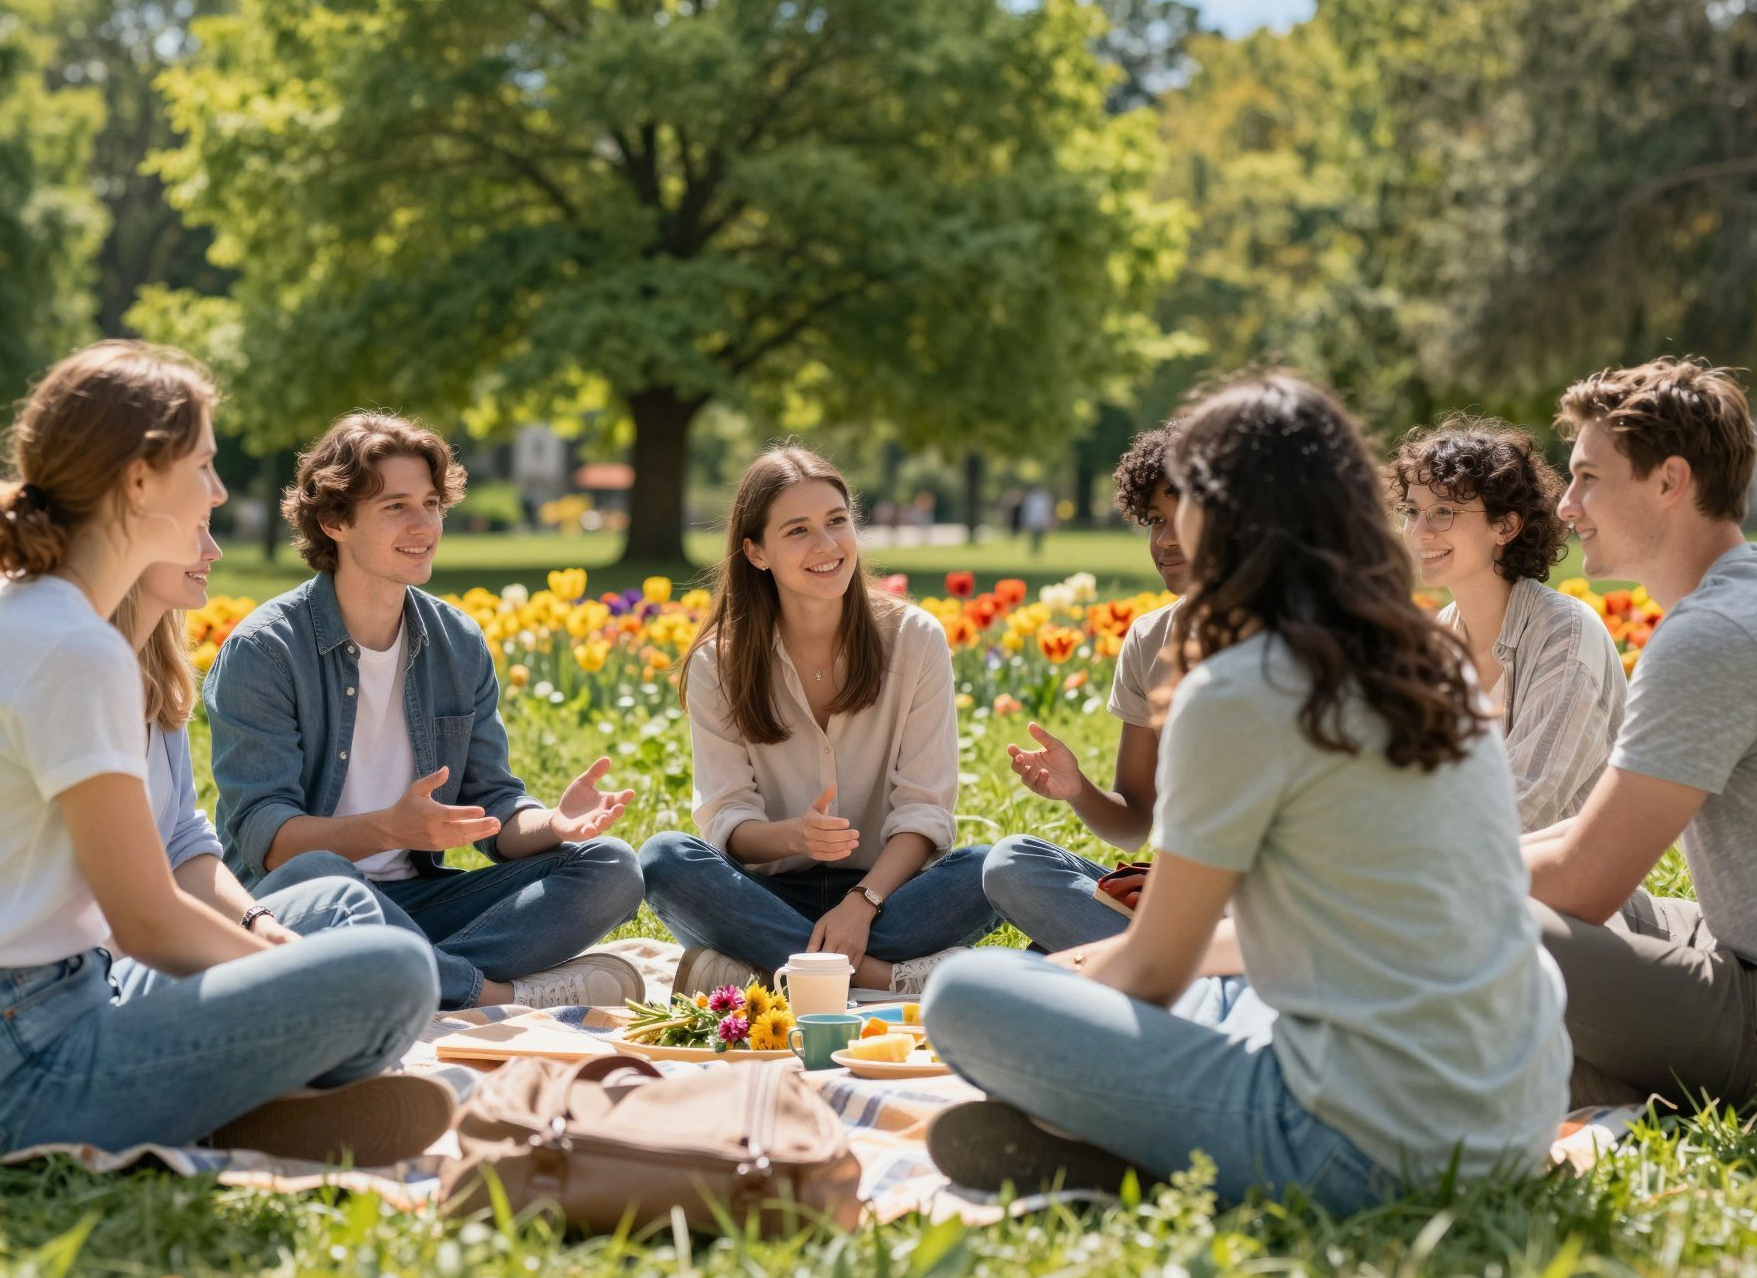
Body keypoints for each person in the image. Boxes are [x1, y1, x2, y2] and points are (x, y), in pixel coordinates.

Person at [922, 373, 1570, 1209]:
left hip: (1365, 1148)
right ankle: (1138, 1137)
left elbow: (1154, 968)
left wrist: (1077, 990)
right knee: (1225, 980)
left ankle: (1141, 1148)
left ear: (1216, 515)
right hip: (1517, 1113)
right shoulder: (1433, 662)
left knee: (966, 995)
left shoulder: (1239, 690)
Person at [0, 342, 448, 1162]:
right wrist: (279, 983)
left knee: (334, 920)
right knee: (393, 972)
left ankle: (222, 1097)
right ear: (139, 480)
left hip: (31, 1009)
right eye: (203, 466)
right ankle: (239, 1097)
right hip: (7, 1068)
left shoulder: (30, 613)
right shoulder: (70, 644)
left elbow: (159, 886)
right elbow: (146, 921)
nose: (216, 491)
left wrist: (270, 951)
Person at [205, 411, 645, 1012]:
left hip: (423, 903)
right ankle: (490, 992)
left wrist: (553, 827)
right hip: (302, 903)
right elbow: (270, 842)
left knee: (611, 867)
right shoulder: (265, 651)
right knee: (321, 878)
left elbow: (493, 803)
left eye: (432, 503)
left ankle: (398, 973)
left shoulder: (456, 642)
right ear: (335, 521)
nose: (425, 525)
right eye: (395, 507)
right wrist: (390, 827)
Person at [1525, 358, 1757, 1110]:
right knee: (1482, 900)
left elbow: (1584, 880)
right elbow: (1588, 842)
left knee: (1483, 930)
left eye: (1587, 478)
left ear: (1669, 481)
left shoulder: (1719, 634)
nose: (1565, 506)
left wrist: (1397, 887)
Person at [639, 445, 998, 998]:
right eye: (798, 531)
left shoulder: (914, 637)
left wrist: (862, 904)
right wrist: (795, 836)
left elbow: (924, 810)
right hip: (771, 896)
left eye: (837, 521)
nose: (827, 545)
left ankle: (771, 969)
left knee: (991, 869)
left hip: (889, 897)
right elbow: (728, 820)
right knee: (664, 859)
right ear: (756, 553)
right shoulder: (720, 661)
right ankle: (876, 978)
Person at [110, 524, 403, 993]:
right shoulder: (79, 681)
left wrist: (257, 923)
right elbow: (135, 908)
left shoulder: (154, 682)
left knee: (349, 908)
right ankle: (462, 988)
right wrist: (265, 961)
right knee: (371, 964)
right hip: (105, 973)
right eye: (193, 529)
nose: (214, 550)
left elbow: (183, 840)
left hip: (167, 942)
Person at [983, 421, 1186, 950]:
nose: (1165, 541)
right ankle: (1126, 966)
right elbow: (1133, 820)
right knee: (1011, 864)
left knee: (1022, 971)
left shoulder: (1291, 643)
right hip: (1181, 904)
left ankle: (1127, 969)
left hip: (1269, 917)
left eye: (1184, 519)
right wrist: (1078, 790)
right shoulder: (1150, 639)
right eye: (1155, 521)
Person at [1388, 415, 1626, 830]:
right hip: (1457, 878)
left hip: (1557, 890)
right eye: (1412, 510)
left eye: (1443, 511)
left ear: (1506, 525)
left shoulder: (1564, 634)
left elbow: (1525, 807)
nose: (1419, 531)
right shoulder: (1438, 642)